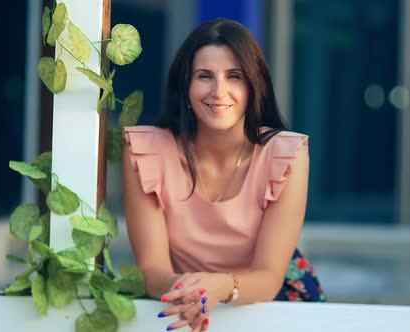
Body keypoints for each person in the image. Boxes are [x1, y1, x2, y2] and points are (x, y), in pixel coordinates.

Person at [122, 18, 325, 332]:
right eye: (204, 76)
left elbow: (269, 278)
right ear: (185, 87)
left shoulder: (287, 153)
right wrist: (193, 292)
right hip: (180, 301)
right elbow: (152, 270)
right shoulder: (146, 149)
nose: (219, 91)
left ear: (253, 86)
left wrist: (220, 287)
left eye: (234, 77)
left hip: (273, 303)